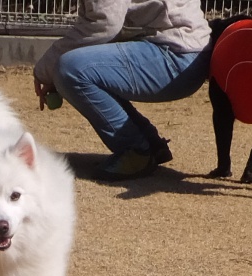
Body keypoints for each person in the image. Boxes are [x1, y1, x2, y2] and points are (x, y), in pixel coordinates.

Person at [33, 1, 213, 181]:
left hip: (176, 56)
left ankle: (135, 150)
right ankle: (150, 143)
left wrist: (46, 70)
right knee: (79, 68)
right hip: (185, 52)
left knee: (71, 69)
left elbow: (103, 24)